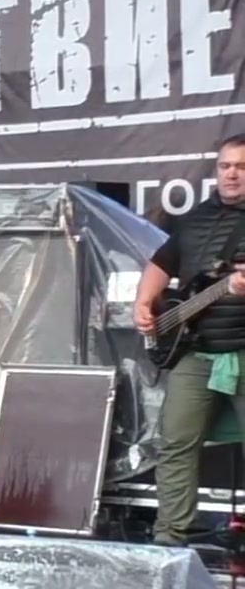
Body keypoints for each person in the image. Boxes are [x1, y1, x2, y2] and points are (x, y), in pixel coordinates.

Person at [134, 134, 245, 547]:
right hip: (195, 350)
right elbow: (161, 264)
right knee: (176, 444)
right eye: (225, 166)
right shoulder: (196, 218)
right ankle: (169, 538)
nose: (232, 174)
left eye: (242, 167)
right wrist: (144, 302)